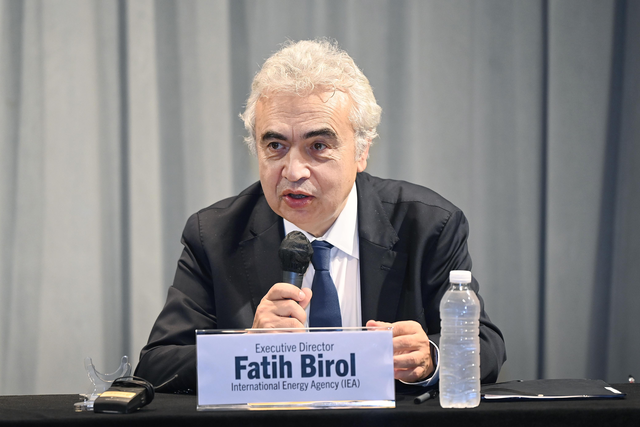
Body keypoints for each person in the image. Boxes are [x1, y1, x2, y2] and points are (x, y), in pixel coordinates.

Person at [134, 39, 506, 394]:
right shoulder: (215, 235)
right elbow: (157, 365)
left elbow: (485, 344)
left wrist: (431, 357)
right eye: (275, 145)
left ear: (362, 151)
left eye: (318, 146)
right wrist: (247, 350)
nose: (294, 171)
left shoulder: (427, 226)